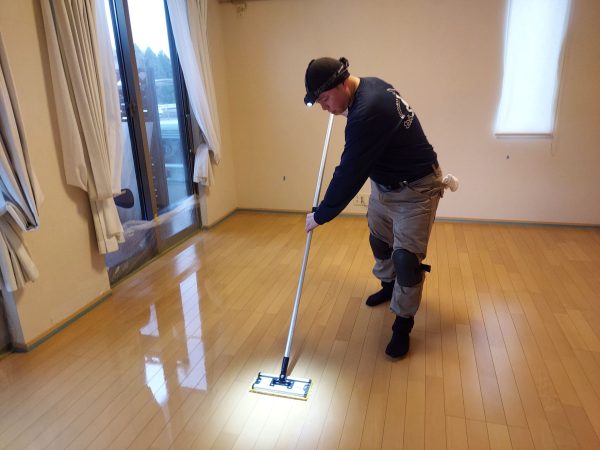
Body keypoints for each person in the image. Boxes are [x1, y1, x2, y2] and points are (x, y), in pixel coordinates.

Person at [303, 56, 454, 358]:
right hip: (384, 185)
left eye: (325, 99)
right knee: (380, 241)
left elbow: (349, 171)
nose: (325, 108)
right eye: (319, 103)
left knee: (405, 260)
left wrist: (322, 214)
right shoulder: (369, 86)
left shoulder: (369, 110)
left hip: (417, 189)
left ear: (342, 84)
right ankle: (388, 287)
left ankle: (403, 324)